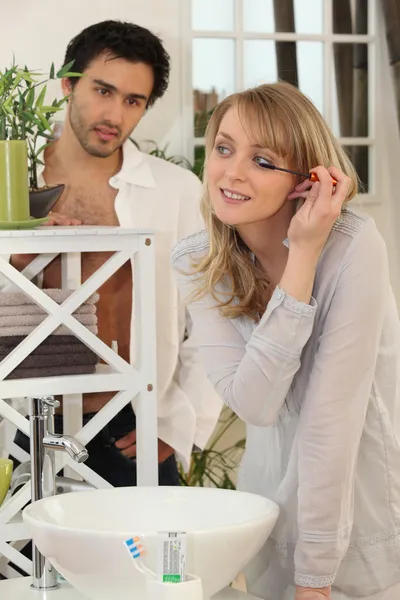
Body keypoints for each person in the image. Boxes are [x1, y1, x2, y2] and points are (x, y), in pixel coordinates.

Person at [172, 81, 400, 600]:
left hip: (363, 509)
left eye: (263, 160)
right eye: (224, 148)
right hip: (269, 507)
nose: (231, 172)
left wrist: (314, 575)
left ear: (307, 179)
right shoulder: (197, 261)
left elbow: (331, 421)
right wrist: (300, 258)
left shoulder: (353, 249)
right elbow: (255, 401)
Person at [7, 20, 222, 487]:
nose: (115, 115)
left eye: (133, 101)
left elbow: (215, 312)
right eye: (103, 91)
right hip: (22, 425)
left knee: (148, 559)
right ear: (67, 83)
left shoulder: (176, 191)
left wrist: (181, 423)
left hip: (133, 425)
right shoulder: (10, 181)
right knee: (22, 560)